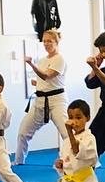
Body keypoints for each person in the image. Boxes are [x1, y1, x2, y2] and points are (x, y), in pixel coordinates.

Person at [13, 31, 67, 164]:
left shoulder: (60, 59)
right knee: (23, 132)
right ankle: (19, 161)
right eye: (44, 41)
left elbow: (46, 76)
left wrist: (31, 64)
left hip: (57, 101)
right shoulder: (43, 60)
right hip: (40, 101)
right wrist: (37, 84)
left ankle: (77, 160)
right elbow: (44, 80)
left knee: (67, 133)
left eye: (50, 41)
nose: (47, 44)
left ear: (56, 42)